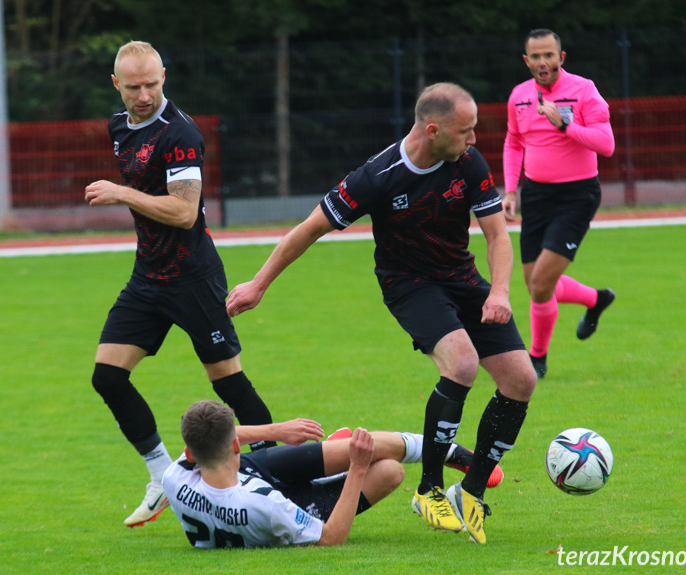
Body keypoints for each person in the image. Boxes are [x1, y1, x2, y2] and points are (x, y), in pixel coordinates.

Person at [226, 83, 538, 544]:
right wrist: (258, 283)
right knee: (464, 363)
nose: (474, 140)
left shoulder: (468, 163)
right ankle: (429, 487)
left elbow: (495, 236)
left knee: (521, 380)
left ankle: (469, 492)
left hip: (464, 281)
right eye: (465, 131)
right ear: (433, 130)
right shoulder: (376, 176)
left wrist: (502, 293)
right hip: (409, 285)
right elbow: (310, 229)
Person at [84, 41, 276, 528]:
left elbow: (184, 211)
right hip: (148, 276)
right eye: (134, 87)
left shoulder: (180, 134)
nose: (144, 94)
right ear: (116, 85)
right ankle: (161, 476)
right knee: (107, 376)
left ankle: (278, 474)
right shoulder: (118, 128)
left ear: (164, 76)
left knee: (229, 384)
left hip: (192, 277)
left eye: (152, 83)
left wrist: (122, 192)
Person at [164, 400, 495, 548]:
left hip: (250, 475)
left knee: (350, 448)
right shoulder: (267, 507)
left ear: (191, 454)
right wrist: (358, 467)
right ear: (237, 446)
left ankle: (448, 452)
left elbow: (213, 434)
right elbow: (331, 537)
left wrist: (278, 429)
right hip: (278, 500)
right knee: (389, 471)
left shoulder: (175, 479)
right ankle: (328, 472)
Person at [502, 29, 617, 379]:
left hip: (577, 195)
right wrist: (510, 191)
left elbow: (606, 144)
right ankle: (595, 299)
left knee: (539, 285)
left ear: (561, 58)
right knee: (536, 284)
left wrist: (565, 124)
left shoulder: (584, 90)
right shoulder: (519, 96)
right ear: (526, 61)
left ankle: (537, 357)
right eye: (535, 57)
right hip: (536, 196)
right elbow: (514, 142)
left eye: (549, 55)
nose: (542, 63)